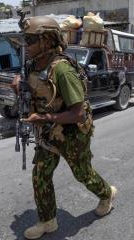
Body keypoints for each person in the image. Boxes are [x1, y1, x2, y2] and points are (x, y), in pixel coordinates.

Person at [19, 16, 117, 239]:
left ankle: (106, 194)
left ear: (46, 40)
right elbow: (38, 93)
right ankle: (48, 221)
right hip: (48, 131)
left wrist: (43, 118)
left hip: (72, 133)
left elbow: (78, 113)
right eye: (26, 39)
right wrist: (21, 88)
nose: (27, 44)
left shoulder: (63, 69)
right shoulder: (34, 66)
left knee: (83, 174)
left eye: (31, 39)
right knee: (40, 174)